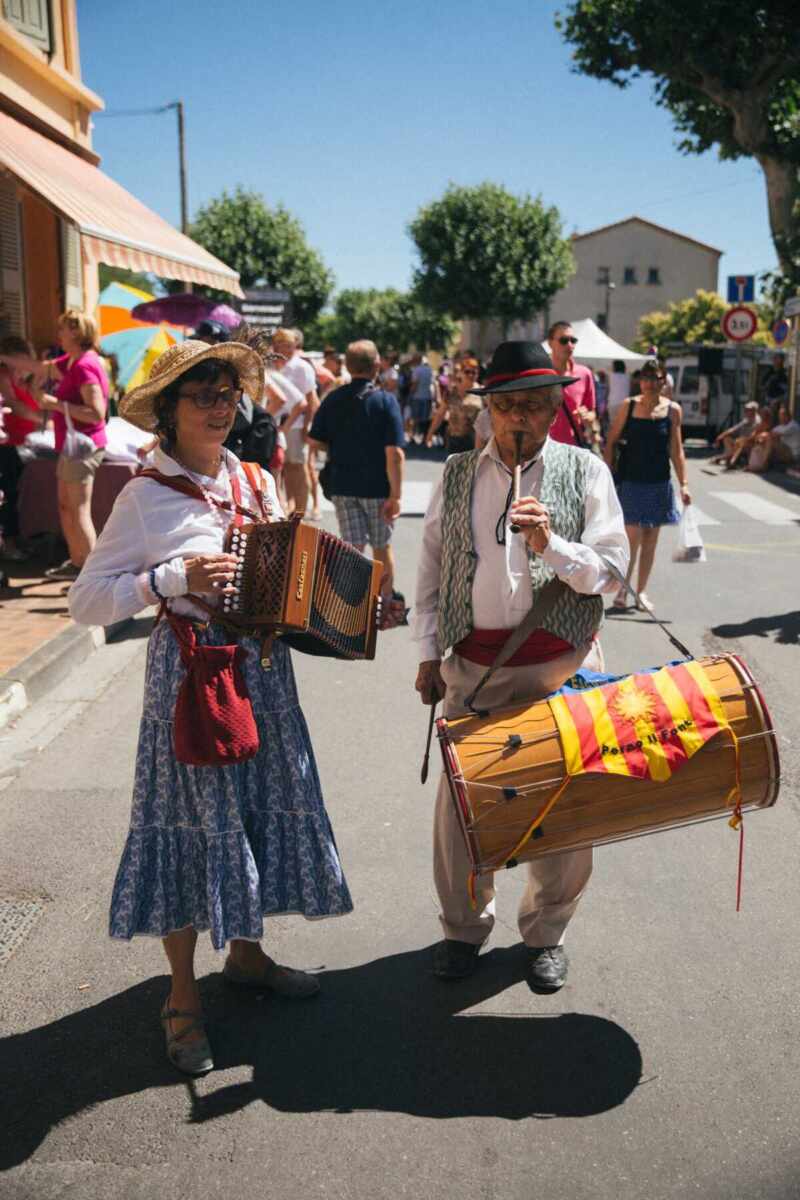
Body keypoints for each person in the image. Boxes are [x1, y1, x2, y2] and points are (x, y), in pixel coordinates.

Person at [68, 339, 352, 1077]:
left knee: (254, 810)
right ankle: (183, 997)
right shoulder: (143, 497)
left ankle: (249, 959)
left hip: (263, 672)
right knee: (196, 826)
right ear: (169, 411)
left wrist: (349, 610)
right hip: (193, 677)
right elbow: (85, 603)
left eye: (228, 395)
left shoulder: (254, 481)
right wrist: (168, 578)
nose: (221, 409)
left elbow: (281, 582)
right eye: (204, 396)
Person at [413, 341, 628, 991]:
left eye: (535, 405)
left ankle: (547, 933)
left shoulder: (585, 471)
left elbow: (611, 577)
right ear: (489, 410)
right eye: (508, 405)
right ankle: (463, 929)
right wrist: (427, 653)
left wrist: (551, 546)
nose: (520, 419)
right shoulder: (454, 476)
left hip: (561, 666)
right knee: (463, 810)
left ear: (556, 407)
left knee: (565, 809)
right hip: (474, 668)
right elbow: (429, 571)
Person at [308, 340, 405, 596]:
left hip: (342, 485)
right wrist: (396, 495)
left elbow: (314, 439)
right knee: (381, 547)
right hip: (377, 489)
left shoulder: (333, 398)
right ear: (376, 365)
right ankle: (383, 603)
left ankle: (353, 606)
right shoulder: (385, 401)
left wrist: (339, 445)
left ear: (348, 366)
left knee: (353, 547)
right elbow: (394, 453)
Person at [604, 359, 690, 613]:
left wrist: (684, 484)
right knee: (632, 537)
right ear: (639, 381)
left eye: (656, 378)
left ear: (664, 381)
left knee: (651, 539)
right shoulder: (628, 406)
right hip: (631, 480)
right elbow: (611, 442)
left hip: (658, 481)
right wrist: (607, 476)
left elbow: (677, 450)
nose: (650, 384)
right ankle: (623, 589)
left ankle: (640, 593)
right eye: (646, 378)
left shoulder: (673, 410)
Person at [37, 310, 110, 580]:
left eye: (63, 329)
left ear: (77, 333)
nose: (58, 334)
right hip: (73, 446)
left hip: (83, 446)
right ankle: (79, 563)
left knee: (78, 511)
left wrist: (55, 404)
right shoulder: (73, 361)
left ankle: (93, 576)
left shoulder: (84, 366)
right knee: (67, 506)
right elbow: (41, 369)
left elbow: (96, 412)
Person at [0, 336, 41, 560]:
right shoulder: (3, 375)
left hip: (25, 444)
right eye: (22, 361)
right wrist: (43, 419)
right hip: (7, 445)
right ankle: (9, 544)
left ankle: (19, 538)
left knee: (21, 495)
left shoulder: (25, 378)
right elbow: (13, 405)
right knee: (9, 494)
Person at [271, 328, 317, 517]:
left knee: (298, 466)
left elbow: (311, 400)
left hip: (296, 425)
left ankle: (301, 510)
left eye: (291, 346)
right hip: (276, 425)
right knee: (283, 468)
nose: (288, 350)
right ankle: (290, 507)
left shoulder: (302, 367)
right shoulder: (272, 366)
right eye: (284, 345)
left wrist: (307, 427)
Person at [546, 322, 597, 447]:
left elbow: (592, 412)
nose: (569, 345)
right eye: (563, 340)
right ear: (550, 343)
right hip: (544, 448)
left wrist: (587, 416)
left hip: (574, 446)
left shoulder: (584, 374)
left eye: (573, 340)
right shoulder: (540, 373)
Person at [426, 359, 482, 452]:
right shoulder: (451, 392)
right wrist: (430, 433)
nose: (471, 375)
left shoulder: (482, 392)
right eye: (467, 372)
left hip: (474, 442)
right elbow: (440, 414)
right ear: (461, 373)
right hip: (453, 440)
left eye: (474, 372)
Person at [711, 401, 760, 466]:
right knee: (727, 438)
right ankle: (728, 458)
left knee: (740, 443)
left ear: (754, 411)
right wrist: (720, 437)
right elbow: (733, 429)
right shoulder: (746, 420)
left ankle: (723, 458)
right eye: (745, 409)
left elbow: (754, 435)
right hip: (740, 443)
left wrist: (743, 440)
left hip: (750, 444)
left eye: (748, 410)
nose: (745, 411)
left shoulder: (757, 421)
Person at [409, 353, 437, 443]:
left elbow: (415, 384)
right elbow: (433, 383)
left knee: (415, 418)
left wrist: (410, 394)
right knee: (425, 418)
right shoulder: (429, 370)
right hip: (427, 396)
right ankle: (425, 437)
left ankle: (413, 437)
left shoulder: (416, 370)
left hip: (417, 397)